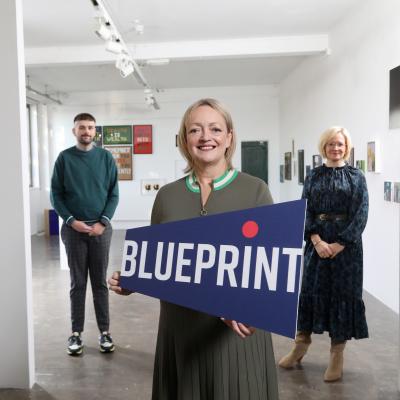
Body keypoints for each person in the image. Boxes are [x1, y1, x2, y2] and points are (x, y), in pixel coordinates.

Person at [109, 98, 279, 399]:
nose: (205, 137)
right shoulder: (167, 196)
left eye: (215, 128)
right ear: (185, 140)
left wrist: (252, 310)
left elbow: (270, 269)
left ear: (229, 137)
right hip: (181, 332)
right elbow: (159, 260)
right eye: (195, 130)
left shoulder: (255, 191)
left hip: (234, 338)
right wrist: (134, 279)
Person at [278, 126, 369, 382]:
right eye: (331, 144)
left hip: (347, 250)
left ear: (346, 147)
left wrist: (340, 243)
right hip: (317, 244)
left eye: (340, 144)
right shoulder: (314, 176)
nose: (336, 148)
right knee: (310, 291)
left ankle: (337, 354)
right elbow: (304, 208)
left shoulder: (356, 177)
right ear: (324, 147)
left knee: (341, 295)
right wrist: (316, 240)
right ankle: (300, 345)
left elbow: (361, 214)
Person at [51, 113, 119, 355]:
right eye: (82, 127)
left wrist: (103, 222)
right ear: (74, 131)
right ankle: (76, 334)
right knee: (78, 283)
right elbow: (56, 195)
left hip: (101, 230)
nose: (87, 131)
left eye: (90, 127)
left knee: (100, 283)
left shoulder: (105, 158)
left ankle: (105, 333)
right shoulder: (64, 159)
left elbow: (113, 194)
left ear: (95, 131)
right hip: (73, 231)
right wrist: (71, 221)